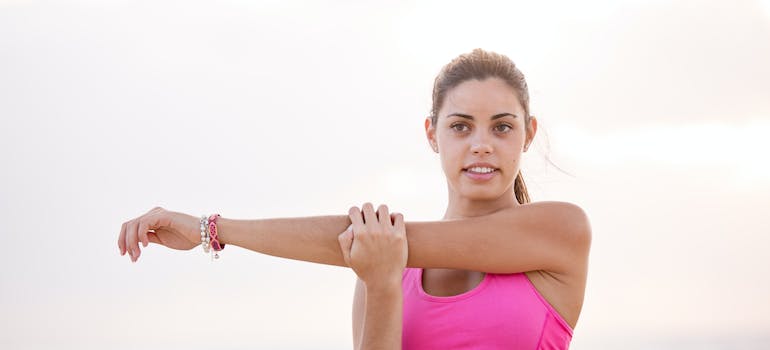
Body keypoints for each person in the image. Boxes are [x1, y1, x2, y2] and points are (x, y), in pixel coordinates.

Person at [117, 48, 592, 350]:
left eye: (502, 127)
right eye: (461, 126)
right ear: (432, 134)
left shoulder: (560, 232)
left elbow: (359, 240)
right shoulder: (380, 258)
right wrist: (383, 284)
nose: (481, 144)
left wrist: (210, 228)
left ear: (528, 134)